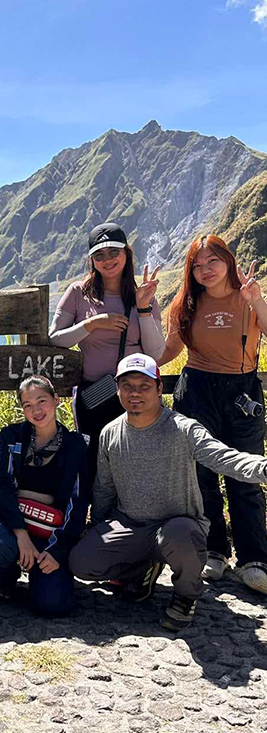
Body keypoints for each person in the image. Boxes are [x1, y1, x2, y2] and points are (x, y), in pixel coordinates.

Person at [69, 353, 267, 631]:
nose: (135, 393)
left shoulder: (183, 429)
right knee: (82, 562)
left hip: (178, 528)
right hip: (131, 525)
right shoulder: (110, 433)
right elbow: (104, 487)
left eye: (144, 386)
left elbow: (225, 458)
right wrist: (99, 526)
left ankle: (187, 595)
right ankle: (144, 569)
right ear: (117, 389)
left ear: (160, 388)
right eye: (127, 386)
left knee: (181, 534)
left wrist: (263, 468)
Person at [159, 235, 267, 595]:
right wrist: (131, 367)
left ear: (228, 261)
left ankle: (254, 559)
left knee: (246, 474)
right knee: (200, 475)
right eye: (197, 265)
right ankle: (215, 551)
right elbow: (170, 350)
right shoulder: (187, 303)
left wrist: (258, 301)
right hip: (196, 391)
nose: (205, 271)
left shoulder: (248, 296)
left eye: (212, 262)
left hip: (241, 391)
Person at [49, 222, 165, 478]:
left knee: (136, 459)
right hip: (95, 393)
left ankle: (134, 515)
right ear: (92, 260)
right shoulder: (78, 293)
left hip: (137, 391)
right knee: (94, 461)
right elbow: (56, 338)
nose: (108, 260)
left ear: (126, 253)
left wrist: (143, 308)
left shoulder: (143, 295)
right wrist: (92, 324)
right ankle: (99, 515)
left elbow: (156, 353)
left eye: (114, 252)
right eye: (99, 255)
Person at [0, 376, 90, 616]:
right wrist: (21, 535)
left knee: (52, 605)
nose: (36, 410)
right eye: (28, 405)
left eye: (42, 401)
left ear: (56, 400)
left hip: (51, 532)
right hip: (14, 525)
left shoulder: (75, 446)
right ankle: (6, 576)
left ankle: (46, 573)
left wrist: (58, 552)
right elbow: (2, 486)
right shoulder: (11, 438)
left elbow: (78, 503)